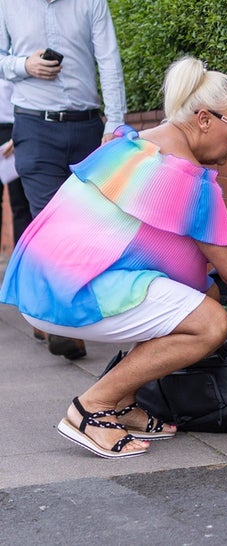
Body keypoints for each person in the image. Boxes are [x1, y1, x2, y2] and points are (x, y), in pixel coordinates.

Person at [0, 56, 227, 459]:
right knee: (210, 323)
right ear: (205, 119)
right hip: (65, 293)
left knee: (204, 300)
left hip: (42, 281)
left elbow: (195, 244)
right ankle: (94, 407)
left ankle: (123, 402)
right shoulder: (186, 179)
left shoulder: (138, 145)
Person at [0, 0, 128, 359]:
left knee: (88, 223)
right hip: (34, 127)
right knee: (49, 222)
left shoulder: (91, 3)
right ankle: (65, 323)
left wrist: (115, 121)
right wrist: (23, 65)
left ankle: (56, 312)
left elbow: (109, 60)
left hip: (87, 126)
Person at [0, 80, 33, 249]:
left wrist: (18, 134)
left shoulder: (13, 59)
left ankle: (23, 259)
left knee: (19, 201)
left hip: (13, 132)